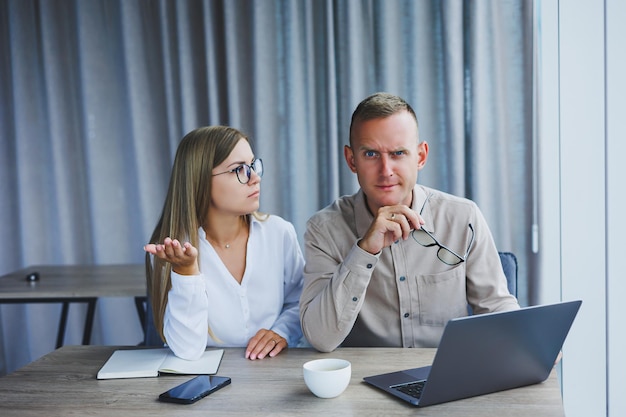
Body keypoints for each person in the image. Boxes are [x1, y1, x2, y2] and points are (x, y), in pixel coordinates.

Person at [300, 92, 520, 353]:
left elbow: (496, 307)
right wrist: (364, 251)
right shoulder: (323, 229)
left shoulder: (463, 218)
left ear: (420, 156)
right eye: (370, 154)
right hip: (363, 385)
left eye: (398, 153)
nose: (386, 170)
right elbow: (320, 338)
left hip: (447, 377)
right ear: (351, 160)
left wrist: (526, 342)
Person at [144, 126, 304, 361]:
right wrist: (186, 273)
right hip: (208, 383)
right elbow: (186, 351)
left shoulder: (279, 233)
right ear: (199, 180)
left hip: (274, 375)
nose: (255, 177)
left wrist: (281, 332)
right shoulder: (172, 251)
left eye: (252, 165)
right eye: (239, 169)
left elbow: (301, 302)